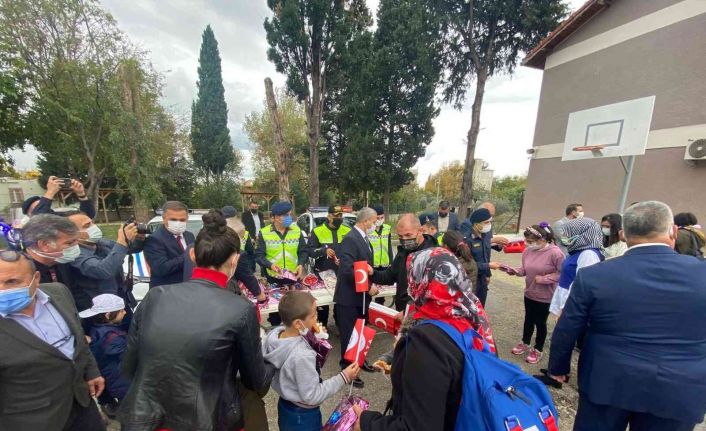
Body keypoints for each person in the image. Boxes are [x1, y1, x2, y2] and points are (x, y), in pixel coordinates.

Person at [544, 201, 706, 431]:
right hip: (680, 386)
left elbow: (568, 326)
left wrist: (558, 367)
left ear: (622, 234)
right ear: (673, 230)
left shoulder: (594, 276)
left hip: (607, 381)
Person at [119, 209, 273, 431]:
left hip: (150, 419)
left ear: (192, 255)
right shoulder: (241, 309)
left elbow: (129, 366)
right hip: (207, 419)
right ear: (235, 260)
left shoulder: (155, 296)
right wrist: (276, 360)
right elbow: (255, 380)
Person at [354, 248, 496, 431]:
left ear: (421, 281)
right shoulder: (474, 314)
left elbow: (417, 426)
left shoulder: (426, 340)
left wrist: (367, 423)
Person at [0, 250, 105, 431]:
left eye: (12, 282)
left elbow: (77, 336)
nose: (2, 290)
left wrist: (91, 371)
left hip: (82, 406)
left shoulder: (59, 293)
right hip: (32, 422)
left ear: (36, 278)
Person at [264, 291, 361, 431]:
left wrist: (315, 339)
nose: (317, 319)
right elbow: (313, 396)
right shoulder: (302, 355)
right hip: (303, 416)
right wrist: (344, 377)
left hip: (286, 405)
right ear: (298, 323)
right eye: (314, 315)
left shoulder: (275, 334)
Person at [504, 223, 564, 364]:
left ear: (542, 239)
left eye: (530, 242)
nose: (528, 244)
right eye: (527, 242)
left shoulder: (556, 253)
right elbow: (524, 269)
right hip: (530, 292)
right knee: (528, 319)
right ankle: (525, 342)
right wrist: (514, 271)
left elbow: (562, 274)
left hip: (545, 295)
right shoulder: (528, 251)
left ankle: (538, 349)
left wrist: (544, 279)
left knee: (540, 322)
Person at [334, 207, 380, 388]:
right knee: (349, 335)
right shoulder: (351, 239)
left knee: (360, 332)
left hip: (360, 298)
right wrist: (368, 287)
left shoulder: (363, 237)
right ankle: (348, 369)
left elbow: (364, 266)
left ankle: (360, 361)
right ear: (366, 221)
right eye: (374, 221)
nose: (375, 224)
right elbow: (347, 270)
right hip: (349, 297)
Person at [68, 212, 140, 316]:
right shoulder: (75, 254)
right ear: (73, 234)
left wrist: (139, 237)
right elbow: (104, 270)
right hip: (100, 313)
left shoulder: (101, 243)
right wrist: (122, 240)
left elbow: (129, 248)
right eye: (87, 226)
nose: (94, 227)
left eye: (92, 223)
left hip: (121, 303)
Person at [370, 214, 437, 311]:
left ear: (420, 231)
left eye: (408, 235)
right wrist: (372, 272)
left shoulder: (433, 255)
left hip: (421, 316)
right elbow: (389, 277)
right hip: (401, 311)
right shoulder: (403, 252)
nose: (404, 239)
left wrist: (409, 311)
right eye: (400, 236)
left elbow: (433, 296)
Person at [79, 294, 130, 415]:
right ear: (108, 315)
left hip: (107, 377)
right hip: (121, 382)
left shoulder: (95, 330)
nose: (125, 313)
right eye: (121, 310)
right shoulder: (114, 338)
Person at [22, 214, 85, 308]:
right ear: (44, 245)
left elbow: (78, 295)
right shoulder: (20, 274)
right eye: (70, 243)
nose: (76, 246)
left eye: (76, 241)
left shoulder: (61, 261)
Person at [549, 217, 604, 317]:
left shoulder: (588, 254)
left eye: (570, 233)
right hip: (566, 299)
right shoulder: (578, 251)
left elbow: (582, 283)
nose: (566, 236)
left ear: (582, 234)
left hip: (570, 302)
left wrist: (565, 308)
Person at [308, 205, 351, 325]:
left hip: (342, 272)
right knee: (323, 305)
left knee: (341, 302)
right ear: (329, 216)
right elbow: (310, 252)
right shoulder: (317, 231)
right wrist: (323, 250)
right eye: (336, 216)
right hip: (323, 272)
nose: (339, 218)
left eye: (341, 216)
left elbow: (351, 250)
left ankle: (340, 325)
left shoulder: (347, 230)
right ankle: (322, 328)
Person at [143, 201, 195, 288]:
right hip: (166, 292)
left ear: (187, 218)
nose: (178, 223)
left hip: (188, 290)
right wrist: (189, 255)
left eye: (182, 220)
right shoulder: (154, 239)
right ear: (163, 219)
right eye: (173, 220)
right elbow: (161, 269)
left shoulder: (189, 236)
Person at [465, 208, 500, 307]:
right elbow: (467, 265)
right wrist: (488, 265)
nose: (489, 225)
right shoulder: (468, 240)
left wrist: (488, 274)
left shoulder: (485, 236)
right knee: (471, 309)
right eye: (486, 222)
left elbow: (485, 256)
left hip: (483, 280)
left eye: (490, 222)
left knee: (481, 308)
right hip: (472, 281)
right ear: (476, 224)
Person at [21, 176, 96, 221]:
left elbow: (87, 215)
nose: (42, 208)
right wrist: (50, 192)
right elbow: (39, 218)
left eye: (43, 205)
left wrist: (81, 194)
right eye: (38, 207)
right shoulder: (31, 232)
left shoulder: (58, 218)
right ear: (29, 216)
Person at [441, 230, 478, 295]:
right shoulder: (470, 260)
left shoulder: (451, 266)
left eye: (442, 244)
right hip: (468, 300)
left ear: (446, 246)